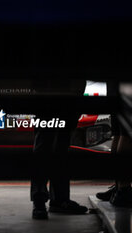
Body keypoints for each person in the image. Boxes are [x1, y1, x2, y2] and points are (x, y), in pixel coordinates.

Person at [30, 80, 88, 220]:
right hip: (57, 90)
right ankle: (56, 199)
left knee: (50, 144)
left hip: (51, 89)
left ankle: (44, 200)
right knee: (52, 144)